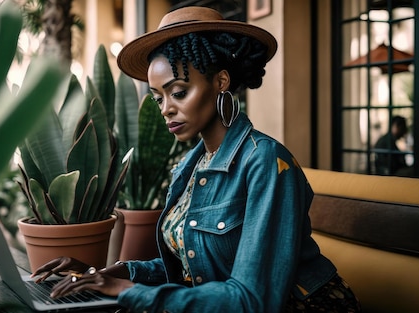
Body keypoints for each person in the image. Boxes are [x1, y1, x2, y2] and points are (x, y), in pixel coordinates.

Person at [30, 6, 361, 312]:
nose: (165, 109)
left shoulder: (267, 162)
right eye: (158, 97)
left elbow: (252, 299)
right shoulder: (189, 167)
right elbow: (195, 266)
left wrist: (127, 291)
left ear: (220, 82)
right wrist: (111, 272)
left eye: (178, 92)